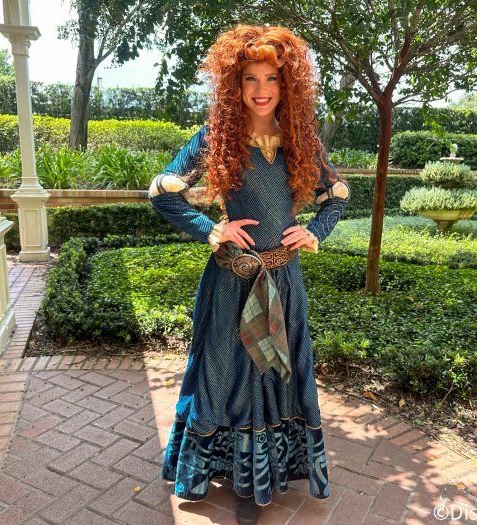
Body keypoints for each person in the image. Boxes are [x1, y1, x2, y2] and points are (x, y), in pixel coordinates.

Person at [149, 24, 350, 524]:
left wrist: (315, 231)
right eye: (250, 79)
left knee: (276, 372)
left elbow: (336, 196)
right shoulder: (216, 138)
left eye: (272, 78)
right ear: (234, 85)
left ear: (288, 84)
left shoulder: (301, 141)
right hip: (231, 281)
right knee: (225, 371)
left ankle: (268, 471)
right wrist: (211, 229)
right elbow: (161, 190)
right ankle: (238, 477)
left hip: (284, 280)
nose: (261, 89)